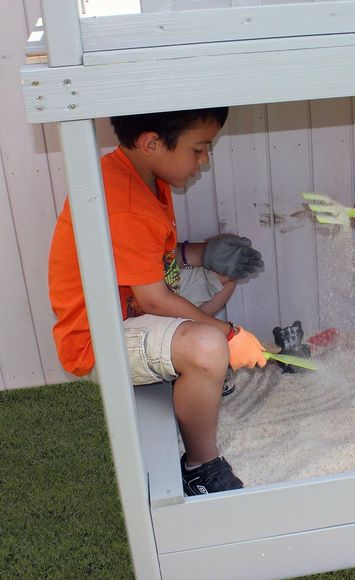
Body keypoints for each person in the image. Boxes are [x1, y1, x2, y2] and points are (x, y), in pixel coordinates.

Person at [48, 107, 267, 495]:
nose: (204, 160)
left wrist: (199, 253)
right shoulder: (125, 200)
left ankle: (201, 379)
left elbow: (148, 262)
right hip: (102, 338)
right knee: (207, 345)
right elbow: (153, 299)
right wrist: (230, 335)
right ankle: (201, 464)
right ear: (152, 143)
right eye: (198, 149)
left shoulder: (142, 174)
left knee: (222, 276)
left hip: (135, 306)